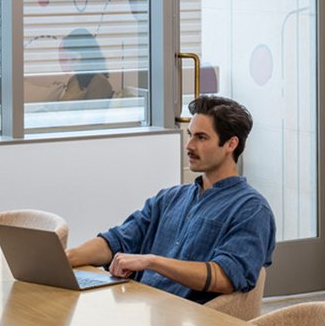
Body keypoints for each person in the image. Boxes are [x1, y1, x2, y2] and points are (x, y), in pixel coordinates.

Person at [65, 95, 275, 303]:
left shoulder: (251, 209)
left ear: (231, 144)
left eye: (201, 137)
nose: (189, 145)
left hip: (189, 325)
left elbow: (226, 276)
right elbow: (118, 240)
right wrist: (67, 258)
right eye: (190, 135)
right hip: (140, 310)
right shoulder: (171, 198)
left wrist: (152, 262)